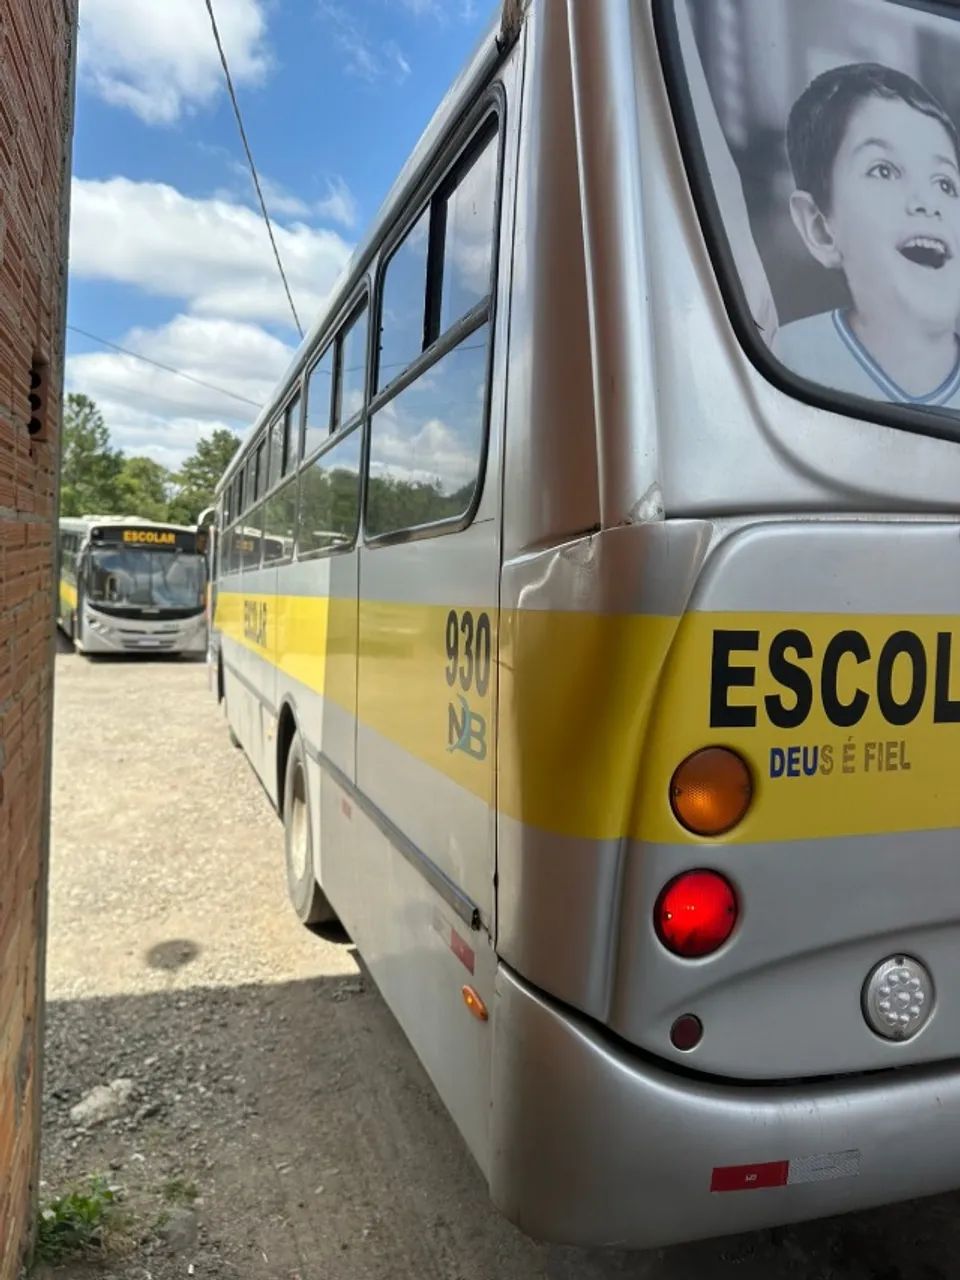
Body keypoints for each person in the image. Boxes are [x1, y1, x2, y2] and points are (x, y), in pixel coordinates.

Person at [773, 62, 960, 409]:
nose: (927, 203)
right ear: (820, 229)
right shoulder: (786, 357)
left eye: (945, 183)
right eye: (883, 170)